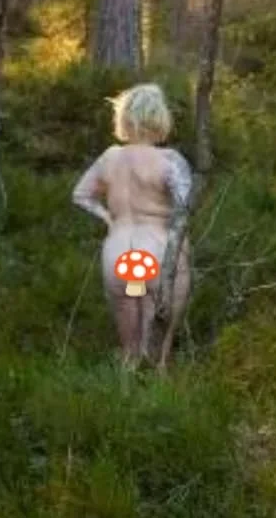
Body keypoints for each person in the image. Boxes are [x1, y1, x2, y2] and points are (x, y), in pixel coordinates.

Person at [72, 83, 193, 366]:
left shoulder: (110, 157)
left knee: (130, 350)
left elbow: (80, 195)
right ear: (160, 117)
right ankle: (157, 396)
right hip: (158, 252)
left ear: (125, 118)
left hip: (120, 253)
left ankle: (123, 399)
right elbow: (183, 208)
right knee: (159, 355)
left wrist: (109, 218)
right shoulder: (170, 161)